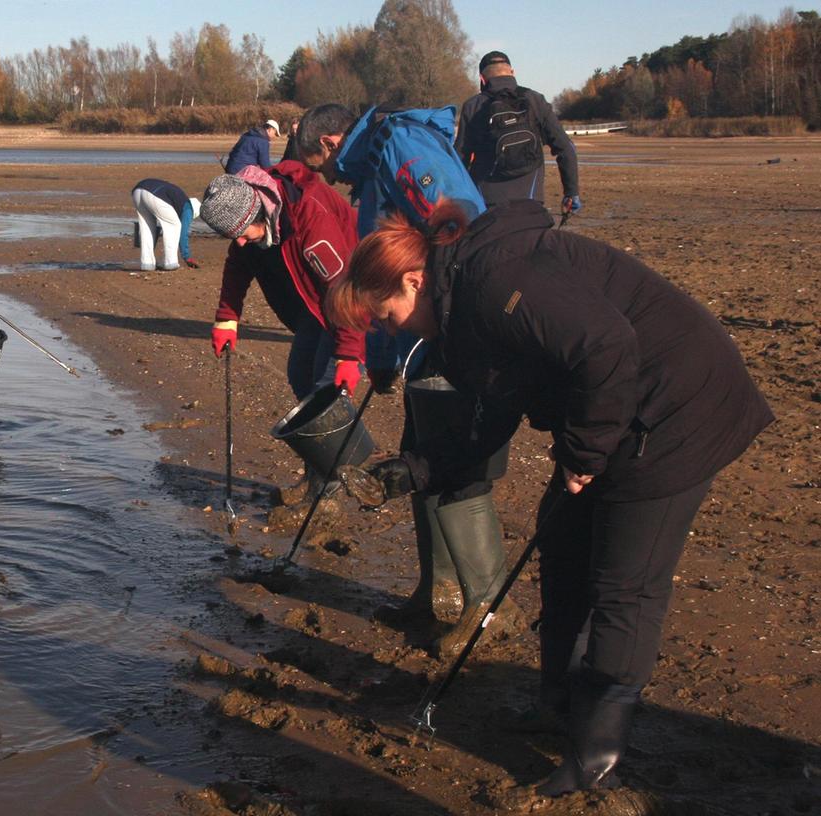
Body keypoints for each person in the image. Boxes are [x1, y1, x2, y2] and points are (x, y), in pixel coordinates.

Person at [328, 197, 773, 795]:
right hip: (613, 409)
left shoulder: (494, 283)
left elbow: (607, 346)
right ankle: (556, 704)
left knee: (625, 583)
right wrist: (411, 470)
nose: (388, 330)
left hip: (679, 404)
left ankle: (597, 756)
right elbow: (488, 420)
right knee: (559, 540)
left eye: (385, 316)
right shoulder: (459, 319)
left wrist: (587, 453)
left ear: (414, 281)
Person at [320, 102, 516, 656]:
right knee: (419, 452)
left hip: (450, 333)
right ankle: (438, 593)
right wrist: (381, 351)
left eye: (322, 157)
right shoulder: (377, 160)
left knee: (453, 461)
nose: (326, 172)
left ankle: (487, 606)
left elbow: (466, 223)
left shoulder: (402, 145)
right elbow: (380, 280)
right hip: (419, 337)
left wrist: (456, 318)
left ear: (335, 139)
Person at [199, 158, 364, 405]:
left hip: (355, 296)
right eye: (233, 238)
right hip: (315, 301)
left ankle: (344, 440)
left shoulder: (310, 217)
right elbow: (238, 266)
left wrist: (349, 355)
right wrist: (227, 317)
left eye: (243, 236)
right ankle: (320, 434)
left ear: (260, 216)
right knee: (300, 376)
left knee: (327, 387)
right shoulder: (249, 209)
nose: (240, 243)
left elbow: (344, 288)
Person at [458, 51, 581, 214]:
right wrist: (571, 192)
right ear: (512, 72)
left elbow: (460, 158)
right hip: (530, 201)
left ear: (482, 79)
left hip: (486, 203)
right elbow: (566, 148)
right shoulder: (535, 100)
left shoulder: (472, 106)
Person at [131, 177, 200, 272]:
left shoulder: (180, 199)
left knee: (147, 227)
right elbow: (182, 233)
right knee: (174, 225)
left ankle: (147, 264)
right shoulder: (188, 209)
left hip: (138, 190)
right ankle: (170, 263)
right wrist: (186, 257)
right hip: (154, 194)